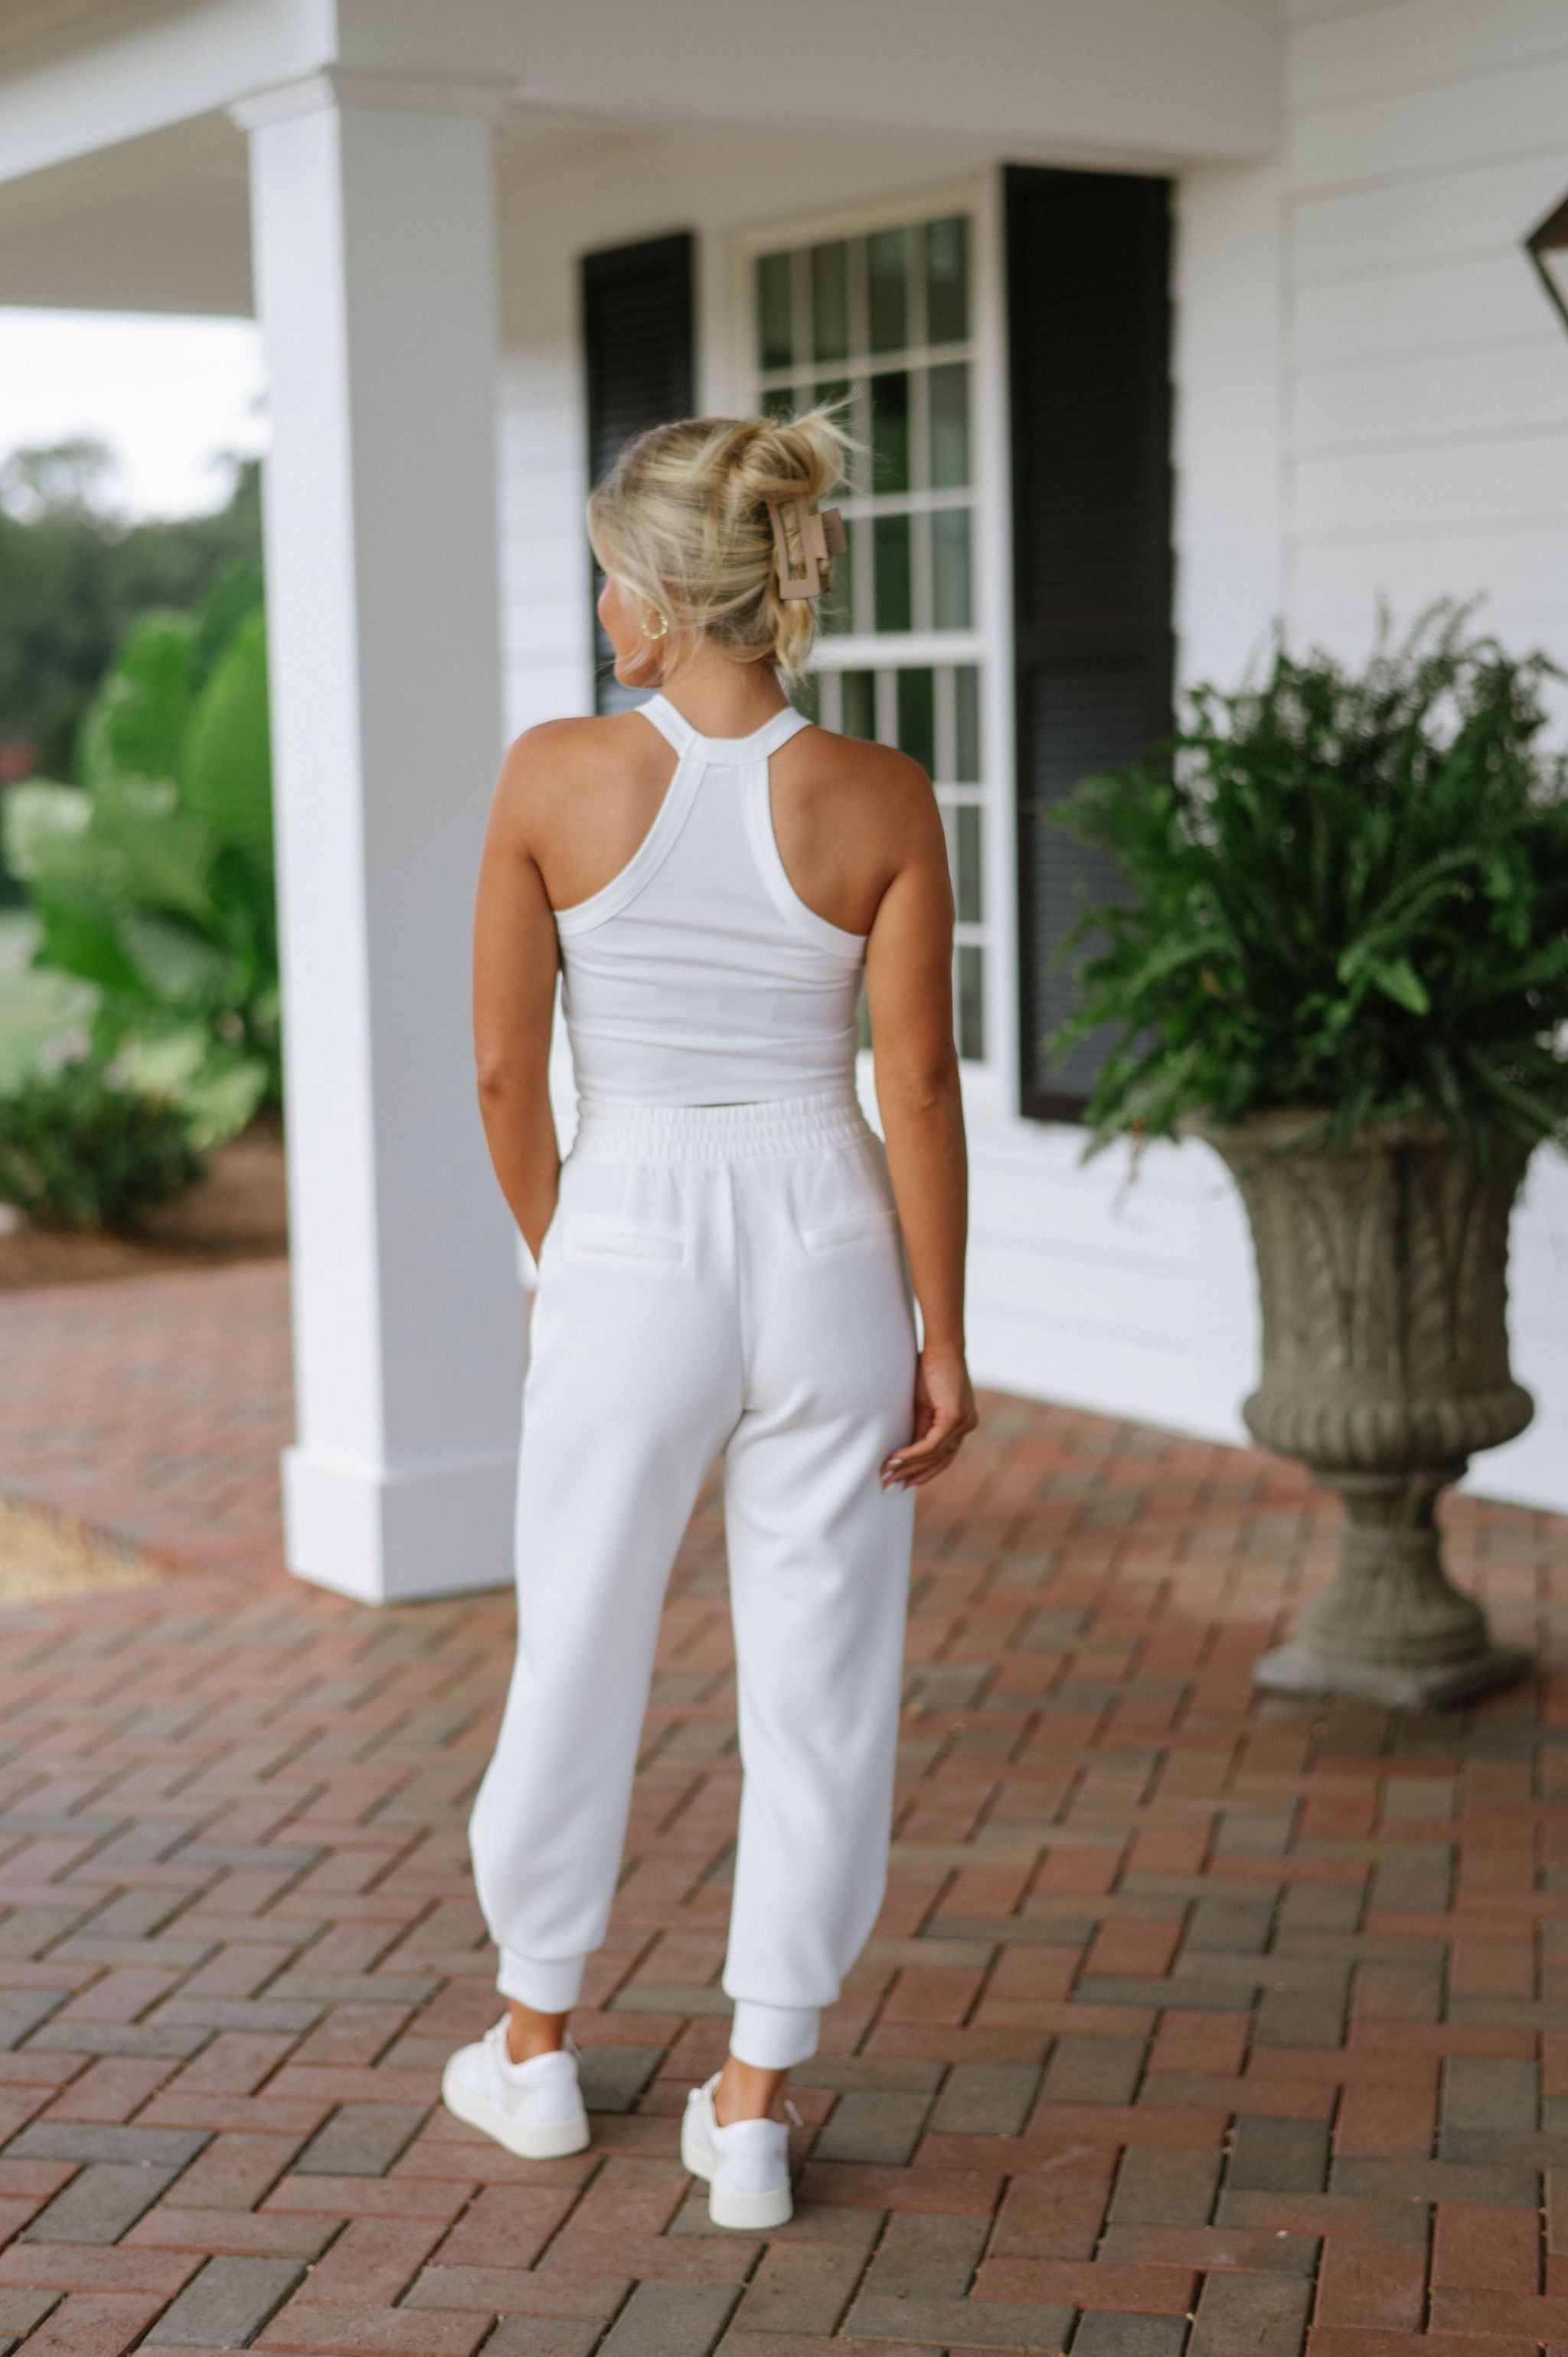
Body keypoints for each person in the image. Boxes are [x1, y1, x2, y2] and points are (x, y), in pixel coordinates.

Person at [443, 413, 976, 2231]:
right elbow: (915, 1081)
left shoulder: (554, 775)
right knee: (823, 1678)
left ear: (661, 599)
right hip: (832, 1234)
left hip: (632, 1227)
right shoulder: (885, 798)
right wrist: (944, 1333)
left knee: (578, 1637)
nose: (601, 605)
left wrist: (567, 1253)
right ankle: (749, 2102)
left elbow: (510, 1069)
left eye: (613, 573)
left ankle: (532, 2051)